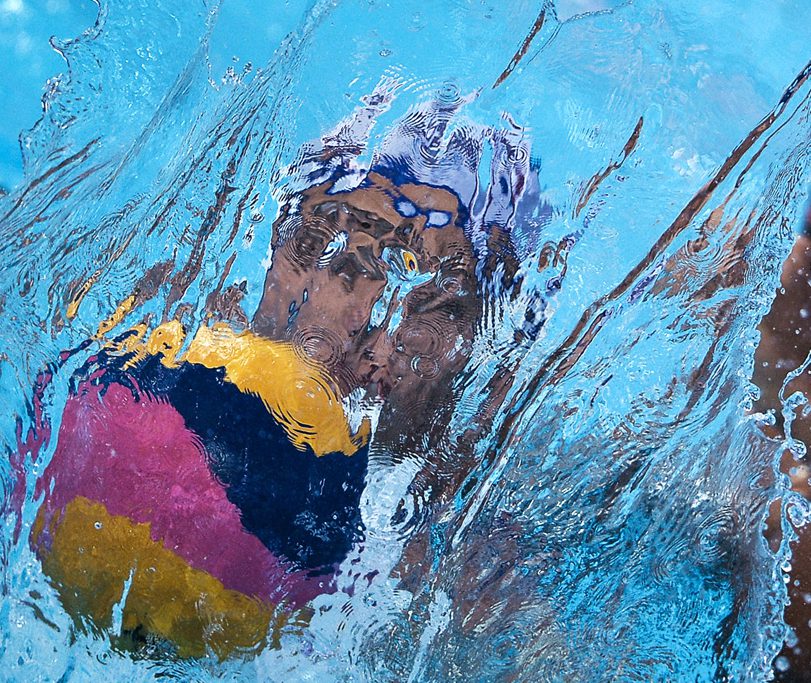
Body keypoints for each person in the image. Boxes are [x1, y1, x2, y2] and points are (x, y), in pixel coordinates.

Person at [29, 91, 544, 658]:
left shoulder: (469, 536)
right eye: (351, 260)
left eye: (434, 303)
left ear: (470, 350)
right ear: (280, 254)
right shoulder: (137, 323)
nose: (381, 333)